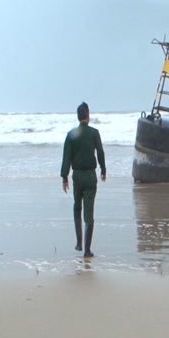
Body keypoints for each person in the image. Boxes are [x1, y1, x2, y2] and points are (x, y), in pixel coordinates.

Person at [61, 102, 106, 257]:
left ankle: (79, 243)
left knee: (76, 207)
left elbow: (66, 157)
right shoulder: (94, 133)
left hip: (77, 176)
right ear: (88, 115)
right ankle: (87, 249)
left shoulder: (71, 135)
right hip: (90, 176)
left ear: (78, 116)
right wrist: (103, 169)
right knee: (89, 211)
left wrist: (64, 177)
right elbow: (100, 152)